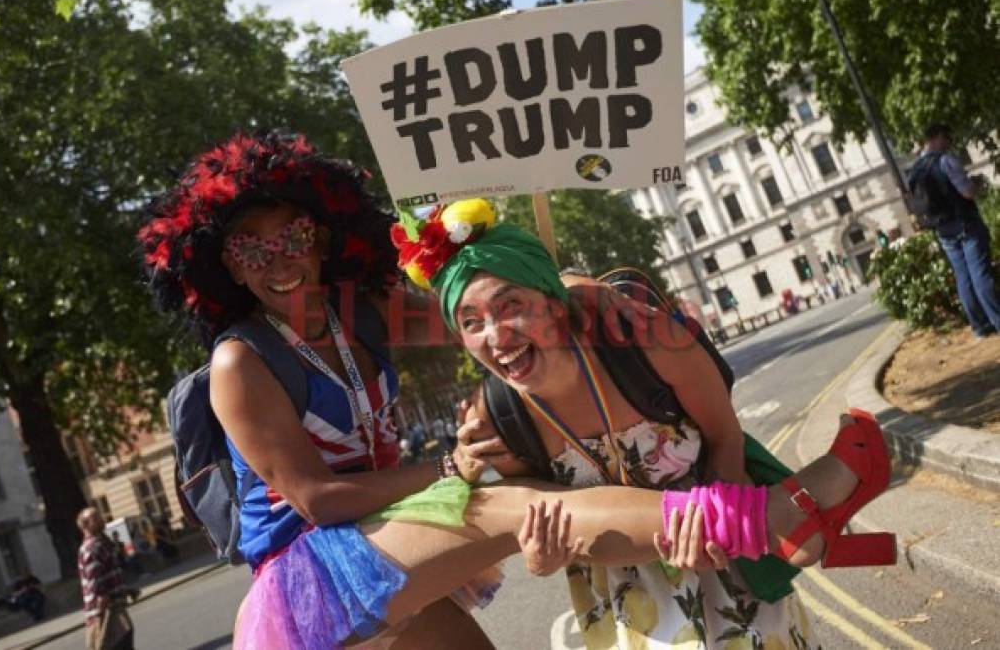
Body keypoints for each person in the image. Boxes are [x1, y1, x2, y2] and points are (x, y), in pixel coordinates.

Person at [138, 132, 888, 650]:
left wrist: (574, 290)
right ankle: (770, 515)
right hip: (310, 582)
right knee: (504, 501)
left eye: (291, 237)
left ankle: (752, 522)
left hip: (381, 553)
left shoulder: (356, 317)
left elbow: (485, 301)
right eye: (250, 249)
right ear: (223, 267)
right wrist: (446, 470)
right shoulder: (239, 362)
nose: (277, 261)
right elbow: (317, 500)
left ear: (323, 235)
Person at [395, 199, 895, 648]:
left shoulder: (641, 338)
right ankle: (796, 508)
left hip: (730, 581)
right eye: (472, 322)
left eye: (511, 307)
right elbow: (542, 522)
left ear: (553, 303)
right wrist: (541, 560)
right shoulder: (495, 420)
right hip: (630, 613)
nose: (496, 334)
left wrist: (713, 534)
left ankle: (778, 514)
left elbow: (723, 435)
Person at [912, 123, 1000, 338]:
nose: (948, 143)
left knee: (963, 277)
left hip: (943, 230)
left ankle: (979, 327)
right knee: (980, 274)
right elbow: (967, 192)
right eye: (946, 138)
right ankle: (997, 319)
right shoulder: (946, 160)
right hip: (965, 223)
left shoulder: (915, 170)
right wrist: (977, 183)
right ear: (937, 137)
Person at [77, 508, 134, 650]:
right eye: (95, 518)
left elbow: (108, 574)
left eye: (99, 516)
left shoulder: (100, 544)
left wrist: (125, 590)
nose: (101, 519)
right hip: (106, 609)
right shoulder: (91, 547)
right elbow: (94, 580)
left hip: (112, 605)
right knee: (121, 643)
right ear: (85, 524)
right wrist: (100, 611)